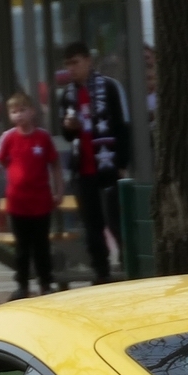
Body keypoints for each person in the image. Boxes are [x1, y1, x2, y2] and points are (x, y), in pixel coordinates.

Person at [55, 41, 132, 284]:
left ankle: (129, 268)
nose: (72, 69)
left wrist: (122, 162)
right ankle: (101, 273)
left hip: (108, 164)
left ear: (88, 61)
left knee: (116, 219)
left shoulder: (109, 87)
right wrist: (69, 128)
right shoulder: (67, 94)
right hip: (83, 167)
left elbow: (123, 125)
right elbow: (66, 135)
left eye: (75, 62)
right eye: (67, 65)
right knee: (91, 224)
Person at [0, 92, 63, 298]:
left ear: (32, 111)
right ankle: (22, 286)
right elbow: (0, 160)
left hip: (41, 202)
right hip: (17, 203)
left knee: (41, 246)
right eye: (14, 112)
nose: (19, 115)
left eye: (22, 110)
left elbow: (55, 165)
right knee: (22, 248)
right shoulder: (8, 138)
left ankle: (45, 284)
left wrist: (58, 190)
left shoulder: (43, 137)